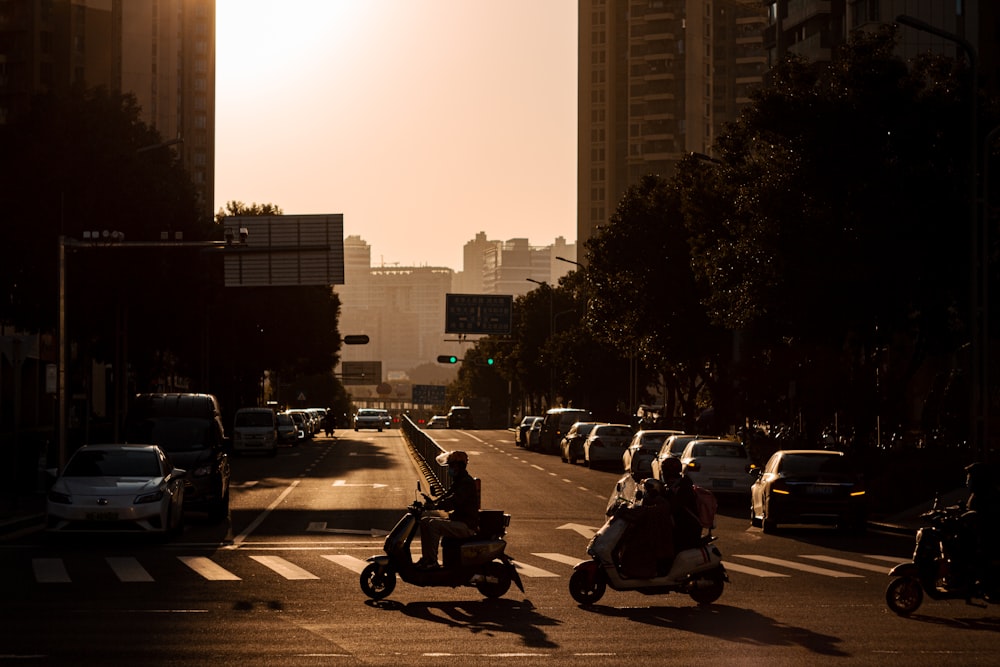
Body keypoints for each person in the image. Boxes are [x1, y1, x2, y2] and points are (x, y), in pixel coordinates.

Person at [416, 450, 480, 569]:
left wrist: (436, 506)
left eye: (451, 466)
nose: (449, 469)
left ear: (459, 466)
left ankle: (432, 561)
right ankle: (426, 558)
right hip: (459, 521)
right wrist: (432, 502)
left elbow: (453, 501)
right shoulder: (458, 481)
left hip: (466, 525)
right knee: (425, 521)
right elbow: (446, 496)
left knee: (433, 525)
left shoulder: (466, 482)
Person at [618, 477, 674, 578]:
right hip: (655, 539)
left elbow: (644, 513)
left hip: (659, 544)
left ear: (653, 491)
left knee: (636, 543)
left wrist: (625, 511)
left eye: (647, 489)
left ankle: (639, 571)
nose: (644, 492)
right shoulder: (654, 503)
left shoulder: (661, 505)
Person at [961, 462, 1000, 596]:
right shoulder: (978, 494)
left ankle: (983, 583)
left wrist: (967, 516)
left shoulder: (986, 495)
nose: (967, 481)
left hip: (986, 537)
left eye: (969, 478)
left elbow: (981, 515)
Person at [661, 457, 703, 552]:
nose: (663, 474)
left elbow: (672, 506)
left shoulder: (683, 487)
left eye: (664, 471)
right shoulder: (671, 486)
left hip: (686, 530)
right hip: (679, 527)